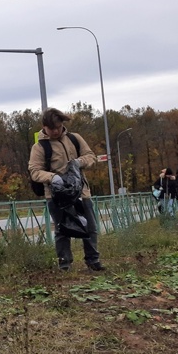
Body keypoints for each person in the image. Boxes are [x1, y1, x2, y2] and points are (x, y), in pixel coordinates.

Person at [28, 108, 103, 272]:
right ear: (44, 127)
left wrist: (78, 162)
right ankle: (65, 264)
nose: (55, 131)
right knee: (63, 230)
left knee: (90, 226)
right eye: (51, 128)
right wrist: (52, 177)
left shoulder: (74, 138)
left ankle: (93, 261)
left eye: (58, 127)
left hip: (81, 192)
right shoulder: (40, 147)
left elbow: (91, 156)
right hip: (56, 196)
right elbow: (34, 171)